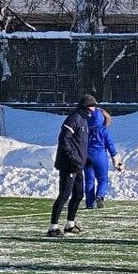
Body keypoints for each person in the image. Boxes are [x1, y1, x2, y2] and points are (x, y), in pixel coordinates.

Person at [48, 94, 97, 237]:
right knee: (64, 195)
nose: (94, 109)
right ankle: (53, 227)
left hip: (78, 164)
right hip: (69, 164)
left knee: (78, 194)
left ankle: (70, 224)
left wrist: (84, 158)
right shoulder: (74, 118)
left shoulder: (84, 121)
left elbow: (79, 143)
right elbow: (64, 139)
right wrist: (72, 158)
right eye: (92, 106)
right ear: (86, 107)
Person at [84, 108, 123, 209]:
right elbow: (110, 145)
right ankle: (100, 196)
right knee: (103, 179)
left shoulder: (85, 129)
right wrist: (115, 159)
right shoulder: (104, 130)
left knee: (89, 181)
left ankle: (89, 204)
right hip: (100, 156)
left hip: (87, 156)